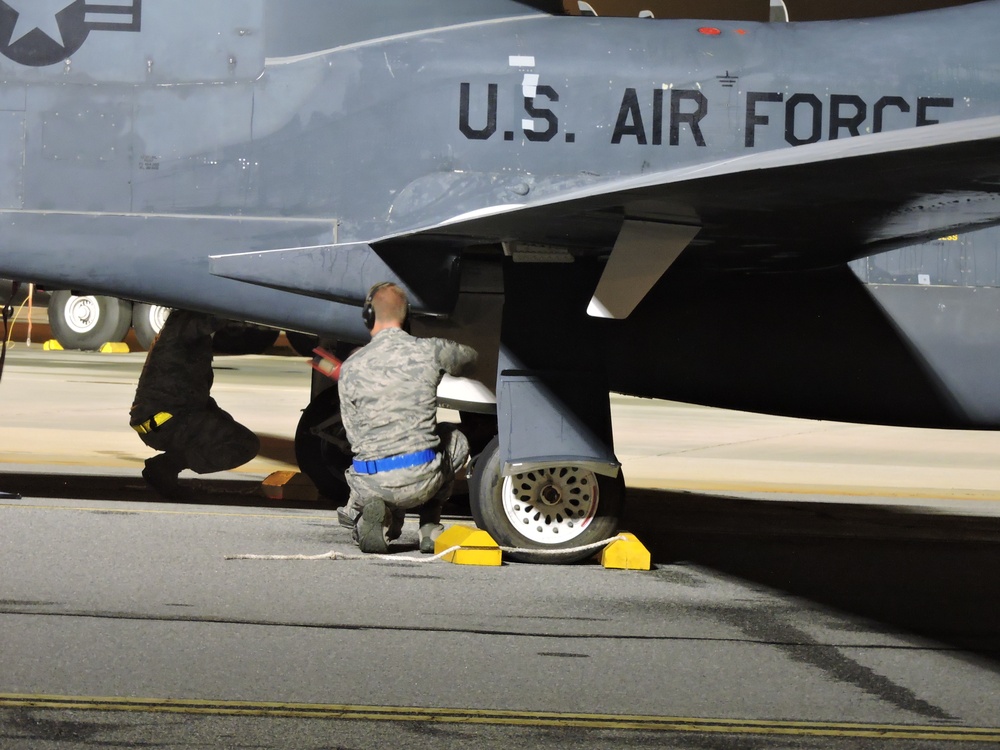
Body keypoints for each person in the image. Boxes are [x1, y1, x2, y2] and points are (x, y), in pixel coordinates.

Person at [338, 282, 477, 553]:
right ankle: (429, 526)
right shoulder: (429, 350)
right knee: (455, 438)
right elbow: (470, 359)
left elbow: (351, 431)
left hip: (371, 480)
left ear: (368, 316)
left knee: (366, 451)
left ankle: (379, 516)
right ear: (407, 317)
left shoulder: (352, 366)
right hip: (423, 479)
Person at [130, 310, 260, 500]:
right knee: (244, 444)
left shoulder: (191, 335)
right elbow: (216, 317)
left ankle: (170, 464)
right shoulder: (182, 325)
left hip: (168, 417)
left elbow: (197, 395)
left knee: (232, 432)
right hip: (165, 421)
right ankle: (167, 466)